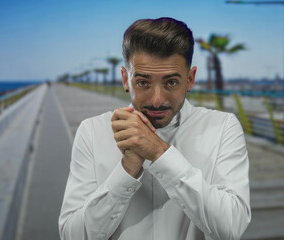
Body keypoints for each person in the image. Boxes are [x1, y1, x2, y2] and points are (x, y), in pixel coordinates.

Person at [59, 17, 251, 240]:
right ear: (125, 79)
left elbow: (231, 228)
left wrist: (160, 153)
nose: (157, 100)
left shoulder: (223, 127)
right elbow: (72, 236)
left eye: (171, 82)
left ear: (190, 79)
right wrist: (126, 171)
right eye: (143, 82)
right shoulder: (92, 131)